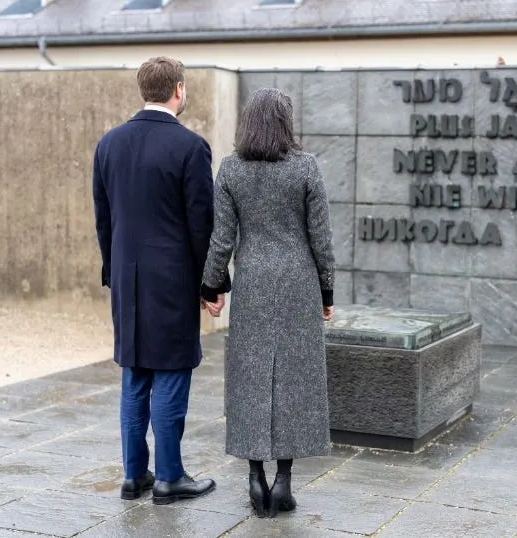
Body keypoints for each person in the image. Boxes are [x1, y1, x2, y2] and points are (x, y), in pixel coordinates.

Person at [93, 56, 227, 505]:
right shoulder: (190, 146)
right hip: (171, 281)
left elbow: (104, 219)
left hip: (126, 279)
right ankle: (169, 477)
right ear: (178, 90)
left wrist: (113, 272)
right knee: (170, 372)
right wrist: (211, 285)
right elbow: (201, 225)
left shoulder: (108, 143)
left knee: (135, 374)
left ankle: (134, 475)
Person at [200, 87, 335, 518]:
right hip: (298, 283)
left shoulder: (231, 169)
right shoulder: (305, 166)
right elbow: (321, 238)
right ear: (285, 121)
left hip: (254, 282)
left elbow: (221, 239)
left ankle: (255, 477)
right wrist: (327, 291)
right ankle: (285, 481)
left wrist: (211, 286)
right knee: (295, 378)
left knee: (251, 376)